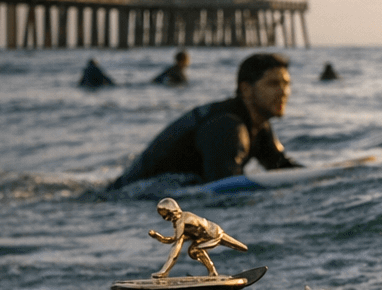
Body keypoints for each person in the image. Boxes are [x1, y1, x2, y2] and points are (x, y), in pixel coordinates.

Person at [109, 52, 300, 188]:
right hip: (133, 197)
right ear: (246, 89)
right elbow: (224, 192)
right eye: (273, 84)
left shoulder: (258, 123)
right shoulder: (227, 127)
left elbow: (280, 166)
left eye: (287, 84)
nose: (284, 92)